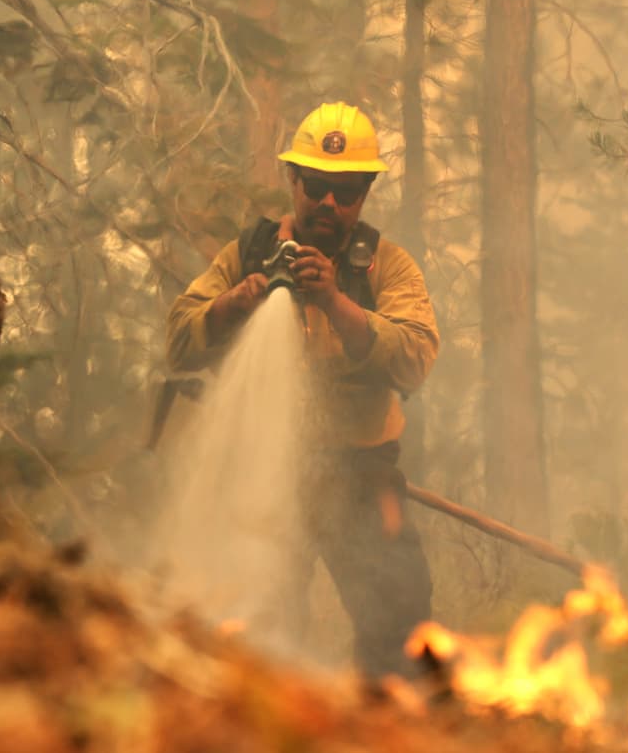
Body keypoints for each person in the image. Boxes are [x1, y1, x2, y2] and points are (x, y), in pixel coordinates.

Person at [164, 101, 439, 677]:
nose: (329, 203)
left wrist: (337, 303)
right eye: (315, 186)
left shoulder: (387, 267)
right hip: (265, 471)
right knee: (256, 625)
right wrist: (233, 304)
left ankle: (391, 716)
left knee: (399, 622)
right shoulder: (245, 256)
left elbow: (416, 356)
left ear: (364, 194)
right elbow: (179, 339)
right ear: (293, 180)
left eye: (346, 191)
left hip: (360, 475)